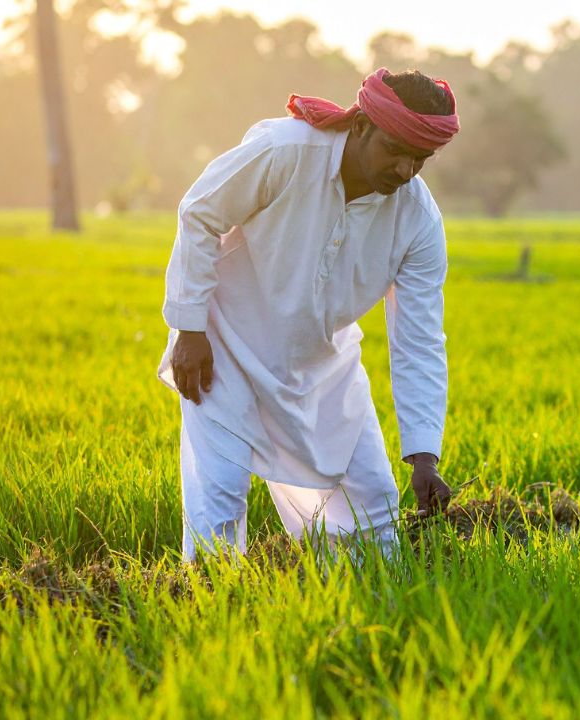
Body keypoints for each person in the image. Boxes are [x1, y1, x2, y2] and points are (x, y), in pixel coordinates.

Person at [157, 68, 459, 561]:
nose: (406, 171)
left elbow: (419, 339)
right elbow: (200, 211)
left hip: (321, 366)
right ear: (361, 126)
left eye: (420, 160)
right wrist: (189, 328)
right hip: (223, 350)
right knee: (220, 500)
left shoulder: (418, 221)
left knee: (376, 510)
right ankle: (211, 608)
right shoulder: (285, 151)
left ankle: (368, 618)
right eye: (396, 152)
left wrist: (423, 455)